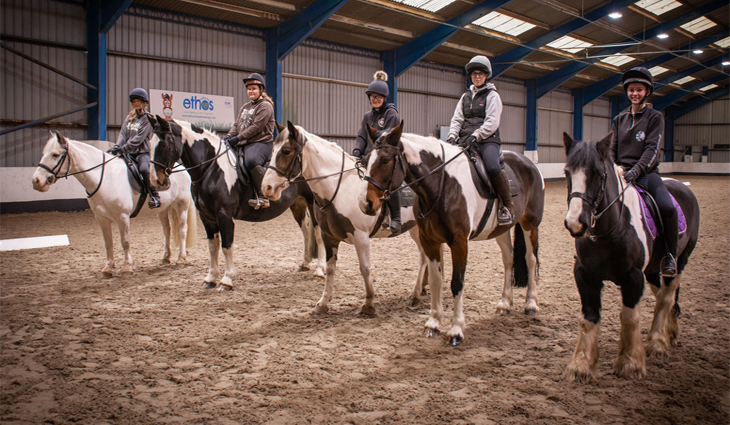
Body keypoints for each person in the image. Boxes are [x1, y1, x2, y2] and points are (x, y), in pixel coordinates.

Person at [612, 66, 677, 277]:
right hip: (621, 174)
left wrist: (636, 171)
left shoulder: (654, 117)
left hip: (647, 175)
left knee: (667, 207)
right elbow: (612, 149)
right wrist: (615, 169)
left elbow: (652, 149)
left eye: (639, 89)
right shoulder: (618, 120)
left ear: (647, 92)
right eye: (631, 89)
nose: (635, 93)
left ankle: (669, 256)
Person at [446, 55, 513, 225]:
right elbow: (457, 119)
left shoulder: (492, 96)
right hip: (465, 139)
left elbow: (492, 121)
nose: (477, 76)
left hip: (487, 140)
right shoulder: (465, 97)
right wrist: (452, 136)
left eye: (480, 74)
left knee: (491, 165)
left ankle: (507, 206)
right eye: (474, 74)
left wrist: (476, 135)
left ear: (486, 75)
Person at [353, 71, 402, 234]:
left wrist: (370, 155)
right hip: (369, 156)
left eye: (378, 96)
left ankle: (396, 218)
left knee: (391, 182)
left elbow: (387, 136)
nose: (375, 99)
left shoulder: (391, 114)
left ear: (385, 97)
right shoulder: (367, 116)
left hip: (384, 158)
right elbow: (362, 135)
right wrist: (356, 151)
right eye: (372, 96)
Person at [223, 72, 275, 209]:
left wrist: (238, 138)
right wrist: (229, 137)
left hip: (261, 143)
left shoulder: (265, 106)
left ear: (260, 89)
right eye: (249, 89)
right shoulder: (245, 107)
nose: (251, 91)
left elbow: (256, 127)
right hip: (244, 142)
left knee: (251, 160)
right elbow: (237, 125)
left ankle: (263, 195)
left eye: (254, 88)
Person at [110, 88, 161, 209]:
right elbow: (123, 134)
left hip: (142, 153)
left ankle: (155, 195)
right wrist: (117, 146)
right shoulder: (129, 117)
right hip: (127, 152)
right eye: (134, 101)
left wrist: (124, 148)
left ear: (143, 102)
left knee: (144, 169)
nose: (136, 103)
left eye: (138, 101)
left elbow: (139, 138)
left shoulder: (148, 118)